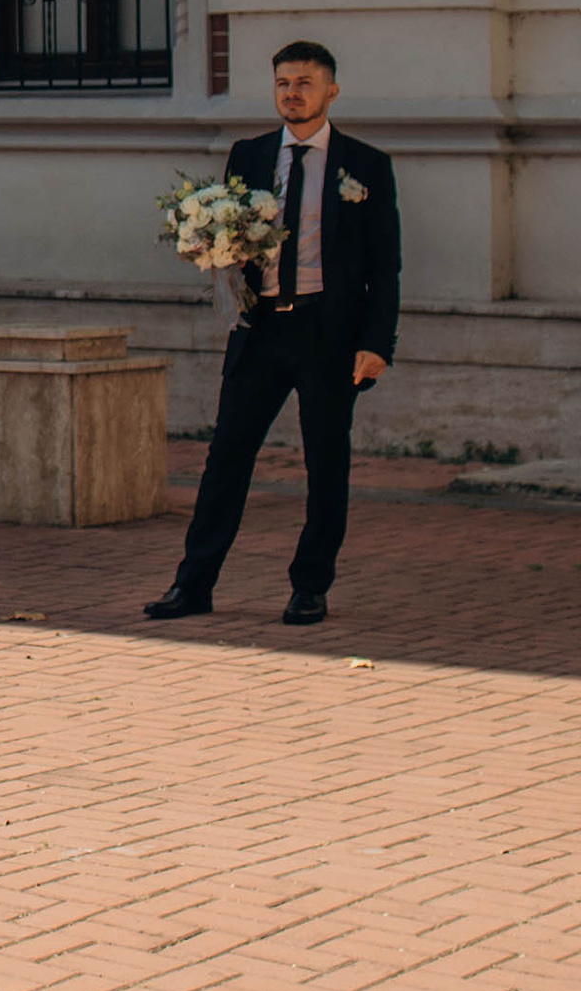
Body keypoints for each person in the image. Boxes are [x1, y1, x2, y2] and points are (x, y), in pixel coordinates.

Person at [146, 38, 401, 628]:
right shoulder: (250, 155)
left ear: (330, 91)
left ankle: (309, 587)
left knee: (326, 462)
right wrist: (207, 247)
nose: (294, 93)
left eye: (306, 83)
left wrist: (376, 343)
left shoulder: (365, 167)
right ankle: (194, 583)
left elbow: (385, 266)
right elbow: (233, 236)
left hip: (329, 335)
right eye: (284, 83)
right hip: (260, 331)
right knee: (226, 458)